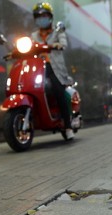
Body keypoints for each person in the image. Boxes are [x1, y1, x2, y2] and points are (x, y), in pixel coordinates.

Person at [31, 2, 74, 140]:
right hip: (38, 69)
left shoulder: (57, 31)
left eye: (44, 15)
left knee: (58, 91)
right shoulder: (33, 35)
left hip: (54, 69)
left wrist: (57, 44)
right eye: (38, 16)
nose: (41, 18)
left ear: (50, 17)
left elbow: (63, 43)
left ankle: (67, 126)